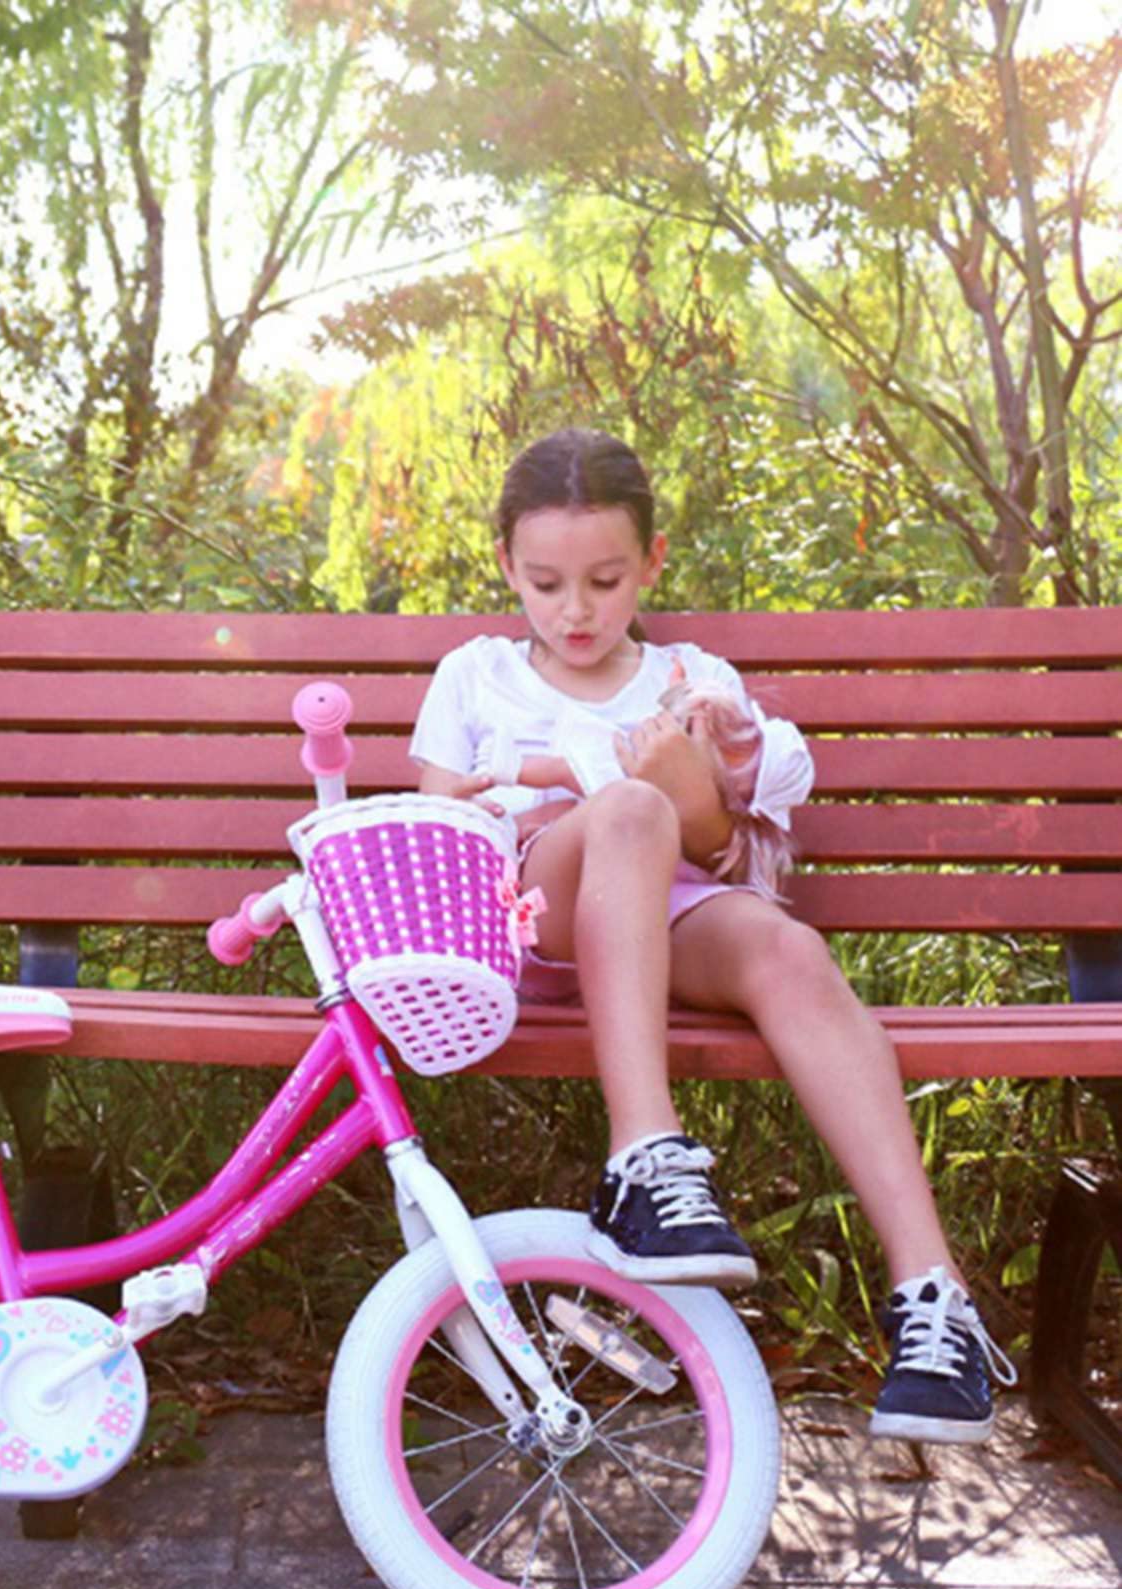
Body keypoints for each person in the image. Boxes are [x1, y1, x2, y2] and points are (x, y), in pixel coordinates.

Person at [410, 426, 1016, 1445]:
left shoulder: (692, 679)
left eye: (604, 580)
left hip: (661, 922)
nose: (574, 610)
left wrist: (677, 779)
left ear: (648, 562)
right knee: (630, 813)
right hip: (531, 920)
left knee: (787, 951)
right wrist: (589, 788)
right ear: (505, 564)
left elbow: (709, 840)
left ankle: (933, 1304)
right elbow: (442, 835)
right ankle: (641, 1155)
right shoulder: (474, 676)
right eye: (546, 581)